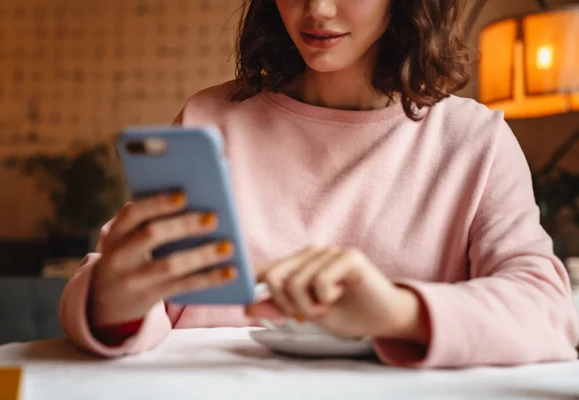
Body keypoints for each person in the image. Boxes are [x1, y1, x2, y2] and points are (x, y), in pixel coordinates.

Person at [59, 0, 579, 368]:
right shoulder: (209, 121)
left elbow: (550, 313)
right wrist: (110, 304)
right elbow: (121, 292)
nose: (317, 9)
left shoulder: (475, 141)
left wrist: (399, 313)